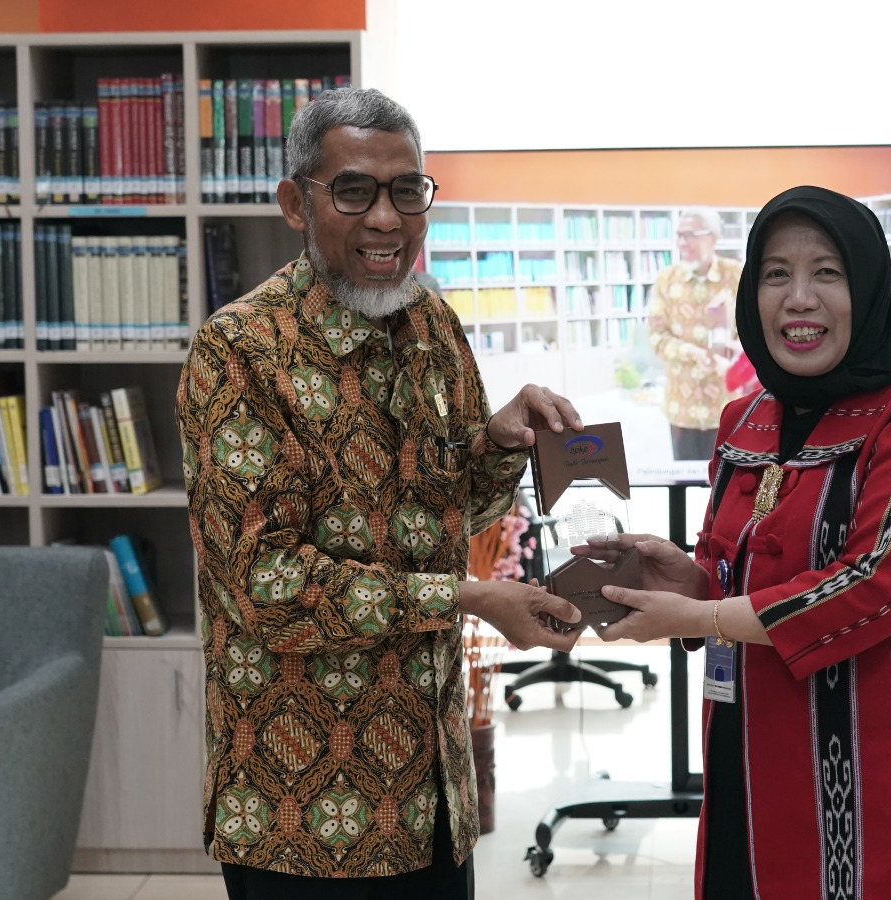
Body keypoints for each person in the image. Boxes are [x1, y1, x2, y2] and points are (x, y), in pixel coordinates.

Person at [176, 88, 586, 899]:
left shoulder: (431, 324)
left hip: (435, 794)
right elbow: (265, 585)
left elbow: (456, 513)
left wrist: (499, 442)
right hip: (302, 816)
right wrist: (464, 598)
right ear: (296, 203)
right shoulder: (239, 352)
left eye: (407, 191)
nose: (387, 220)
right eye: (355, 191)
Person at [576, 186, 891, 898]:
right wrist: (691, 582)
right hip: (746, 755)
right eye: (776, 274)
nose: (799, 298)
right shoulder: (745, 420)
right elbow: (742, 570)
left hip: (878, 775)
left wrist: (704, 615)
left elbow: (877, 583)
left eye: (827, 272)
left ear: (866, 286)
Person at [647, 208, 745, 460]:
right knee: (685, 478)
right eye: (679, 235)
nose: (682, 242)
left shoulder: (736, 276)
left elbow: (756, 332)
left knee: (726, 479)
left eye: (689, 235)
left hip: (726, 404)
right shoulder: (666, 279)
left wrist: (736, 352)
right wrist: (692, 352)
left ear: (712, 237)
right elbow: (657, 338)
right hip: (682, 407)